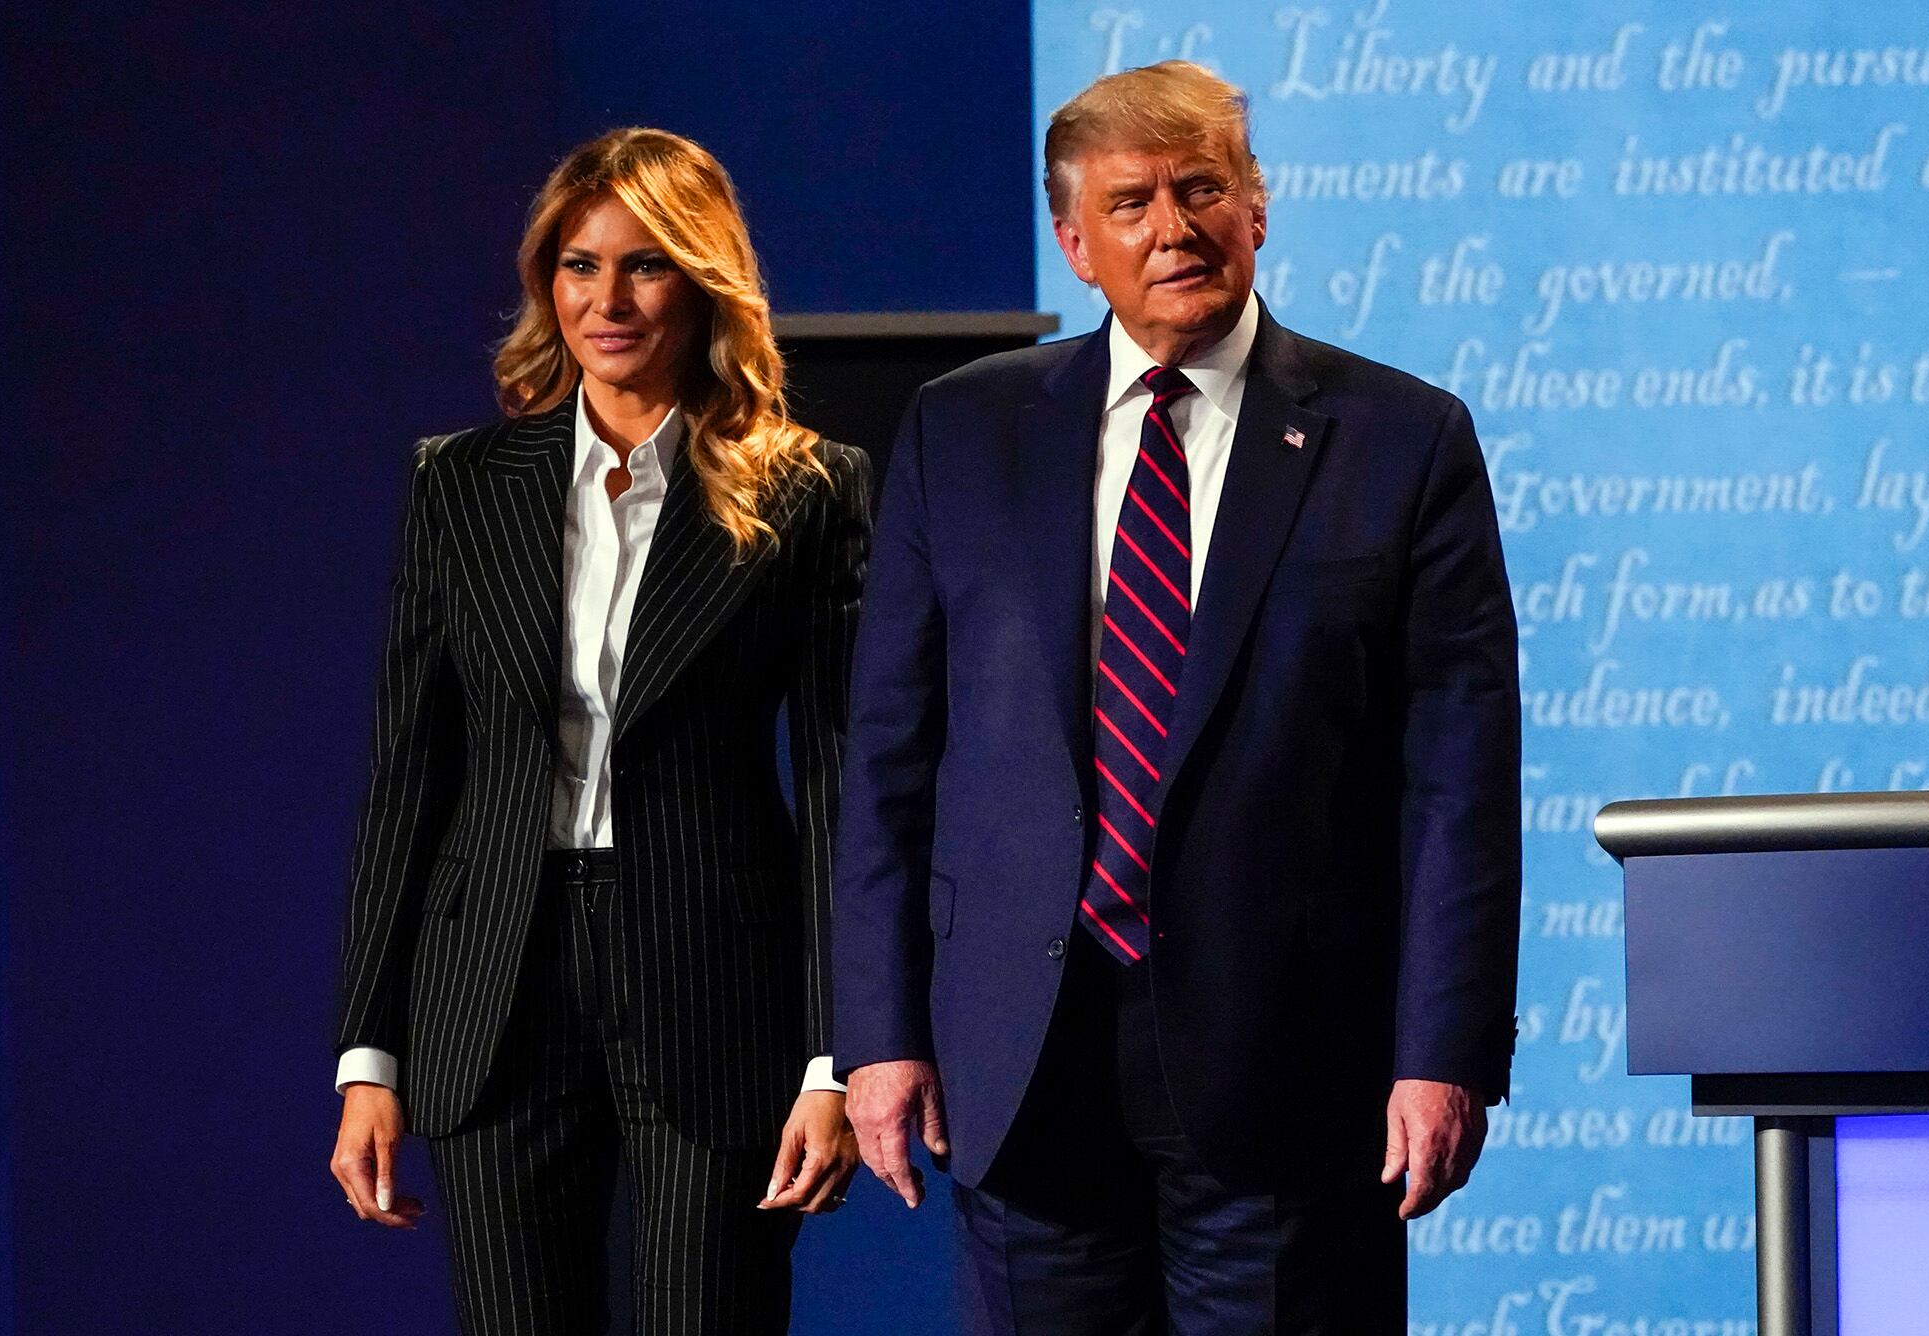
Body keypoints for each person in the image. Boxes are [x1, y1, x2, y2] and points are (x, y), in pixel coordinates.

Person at [833, 61, 1520, 1332]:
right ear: (1074, 243)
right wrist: (872, 1034)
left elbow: (1456, 786)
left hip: (1293, 1069)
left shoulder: (1401, 438)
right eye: (1132, 199)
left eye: (1202, 188)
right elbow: (888, 759)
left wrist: (1442, 1051)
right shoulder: (960, 431)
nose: (1173, 225)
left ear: (1256, 210)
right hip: (1023, 1059)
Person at [327, 127, 867, 1335]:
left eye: (645, 265)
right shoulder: (460, 482)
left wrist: (834, 1057)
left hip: (715, 972)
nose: (606, 299)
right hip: (495, 978)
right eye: (578, 266)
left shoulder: (809, 487)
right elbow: (408, 775)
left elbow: (841, 786)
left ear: (703, 280)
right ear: (545, 285)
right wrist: (368, 1054)